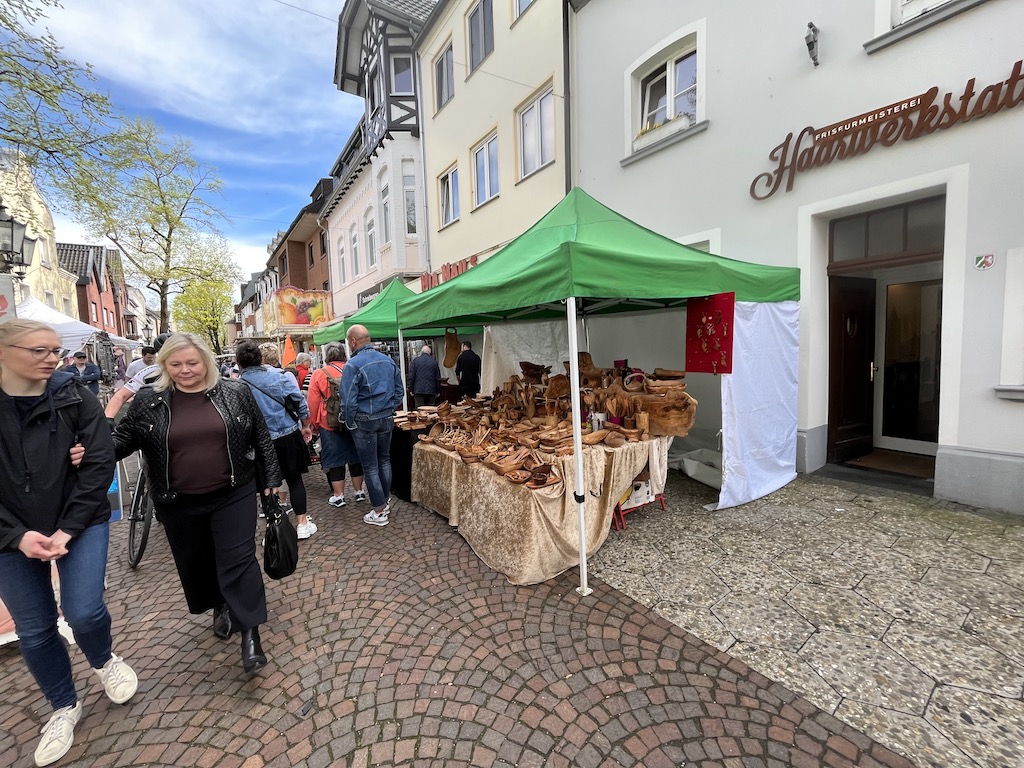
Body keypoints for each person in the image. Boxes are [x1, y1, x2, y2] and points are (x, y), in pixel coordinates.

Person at [0, 319, 138, 767]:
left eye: (55, 350)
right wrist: (16, 536)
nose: (51, 358)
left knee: (84, 610)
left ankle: (103, 658)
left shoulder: (74, 395)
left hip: (79, 520)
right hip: (10, 535)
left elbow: (98, 462)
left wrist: (67, 528)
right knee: (34, 628)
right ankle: (63, 705)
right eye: (38, 350)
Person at [111, 333, 282, 676]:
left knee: (239, 559)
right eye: (175, 364)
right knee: (198, 561)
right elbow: (119, 443)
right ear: (164, 365)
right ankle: (219, 604)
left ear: (206, 361)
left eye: (192, 362)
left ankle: (250, 634)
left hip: (232, 491)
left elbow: (260, 437)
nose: (185, 370)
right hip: (177, 500)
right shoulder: (149, 401)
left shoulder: (236, 392)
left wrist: (272, 479)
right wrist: (107, 415)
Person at [235, 340, 317, 539]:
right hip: (287, 434)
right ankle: (302, 523)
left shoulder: (237, 386)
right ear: (259, 358)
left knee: (267, 485)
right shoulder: (280, 376)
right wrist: (305, 425)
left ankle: (274, 528)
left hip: (259, 442)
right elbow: (299, 402)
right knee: (294, 480)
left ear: (238, 362)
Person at [341, 325, 404, 526]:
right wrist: (389, 407)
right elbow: (399, 391)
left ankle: (379, 511)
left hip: (365, 419)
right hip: (385, 417)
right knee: (384, 460)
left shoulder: (353, 365)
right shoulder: (387, 360)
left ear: (353, 341)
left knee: (371, 465)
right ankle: (384, 502)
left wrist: (349, 421)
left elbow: (348, 400)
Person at [306, 344, 366, 507]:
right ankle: (359, 491)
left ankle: (339, 496)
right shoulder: (353, 369)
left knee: (334, 458)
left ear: (327, 356)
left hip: (328, 421)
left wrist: (313, 423)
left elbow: (312, 401)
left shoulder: (319, 373)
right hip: (353, 420)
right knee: (355, 456)